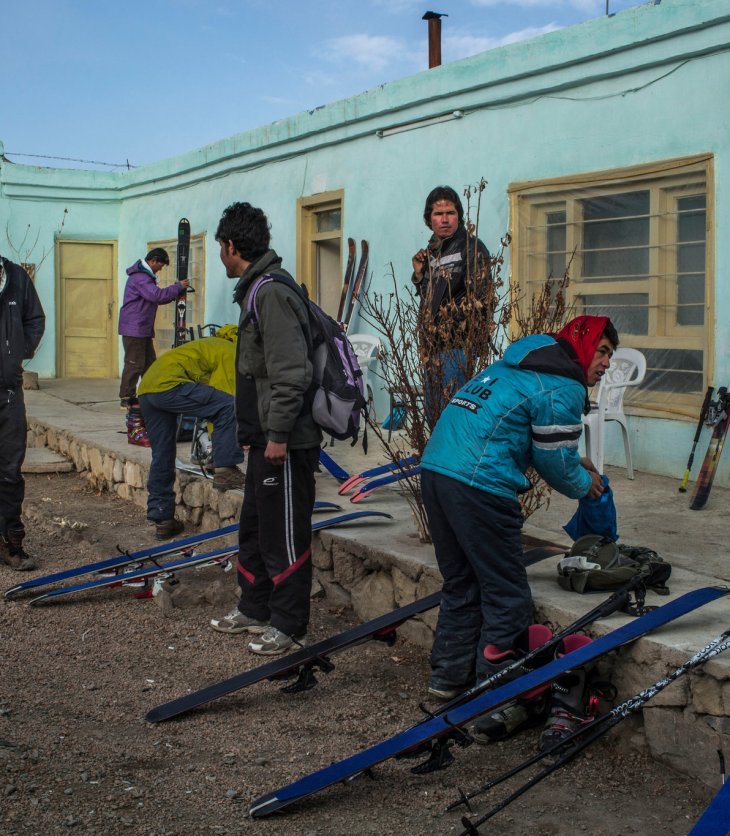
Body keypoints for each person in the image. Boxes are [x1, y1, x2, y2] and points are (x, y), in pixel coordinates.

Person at [420, 315, 618, 704]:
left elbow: (524, 426)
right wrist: (584, 484)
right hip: (480, 484)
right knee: (507, 594)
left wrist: (576, 461)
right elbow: (553, 462)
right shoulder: (564, 384)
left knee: (462, 582)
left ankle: (448, 677)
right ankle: (495, 694)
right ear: (583, 346)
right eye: (604, 351)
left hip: (437, 471)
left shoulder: (522, 364)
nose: (607, 363)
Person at [210, 202, 321, 656]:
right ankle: (254, 608)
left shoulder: (271, 292)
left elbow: (290, 372)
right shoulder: (255, 289)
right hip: (263, 440)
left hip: (287, 443)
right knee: (255, 528)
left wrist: (277, 435)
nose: (221, 253)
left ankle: (290, 624)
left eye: (220, 245)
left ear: (232, 246)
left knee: (284, 532)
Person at [137, 325, 244, 540]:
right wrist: (222, 453)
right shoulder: (231, 353)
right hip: (169, 385)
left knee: (162, 454)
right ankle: (225, 469)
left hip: (147, 388)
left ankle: (162, 518)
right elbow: (226, 402)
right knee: (230, 404)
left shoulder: (210, 343)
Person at [411, 185, 491, 424]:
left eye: (450, 212)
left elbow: (481, 301)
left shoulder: (472, 248)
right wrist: (419, 274)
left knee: (452, 416)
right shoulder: (432, 254)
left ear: (459, 216)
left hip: (457, 346)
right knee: (433, 416)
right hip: (433, 347)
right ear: (429, 219)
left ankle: (453, 462)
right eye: (438, 214)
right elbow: (432, 300)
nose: (444, 219)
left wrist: (448, 330)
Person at [0, 256, 46, 571]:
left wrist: (19, 350)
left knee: (10, 469)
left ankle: (11, 544)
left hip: (9, 392)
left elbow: (35, 319)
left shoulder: (15, 277)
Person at [118, 247, 189, 410]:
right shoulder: (141, 278)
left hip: (141, 328)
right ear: (153, 261)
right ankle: (126, 397)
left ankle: (149, 392)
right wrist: (178, 287)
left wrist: (175, 289)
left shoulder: (145, 277)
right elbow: (156, 295)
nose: (160, 269)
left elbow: (157, 297)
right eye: (160, 266)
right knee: (134, 363)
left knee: (149, 363)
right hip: (134, 328)